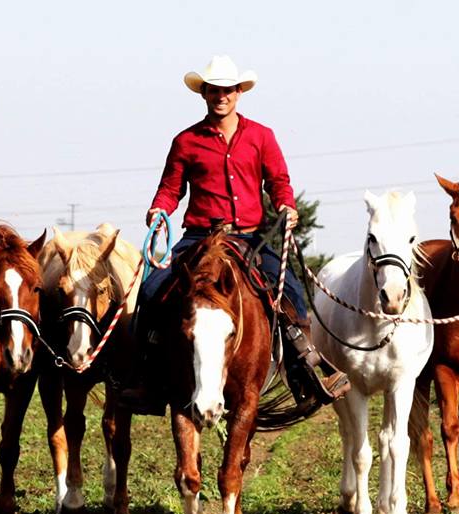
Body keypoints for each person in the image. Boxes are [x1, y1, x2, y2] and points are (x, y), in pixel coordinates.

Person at [121, 55, 350, 415]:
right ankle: (147, 381)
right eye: (214, 90)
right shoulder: (186, 141)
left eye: (227, 90)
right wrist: (159, 209)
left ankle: (302, 372)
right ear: (205, 94)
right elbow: (170, 187)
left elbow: (278, 182)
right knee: (152, 291)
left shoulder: (262, 136)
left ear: (239, 92)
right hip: (199, 237)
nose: (221, 96)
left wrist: (286, 206)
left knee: (288, 288)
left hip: (250, 238)